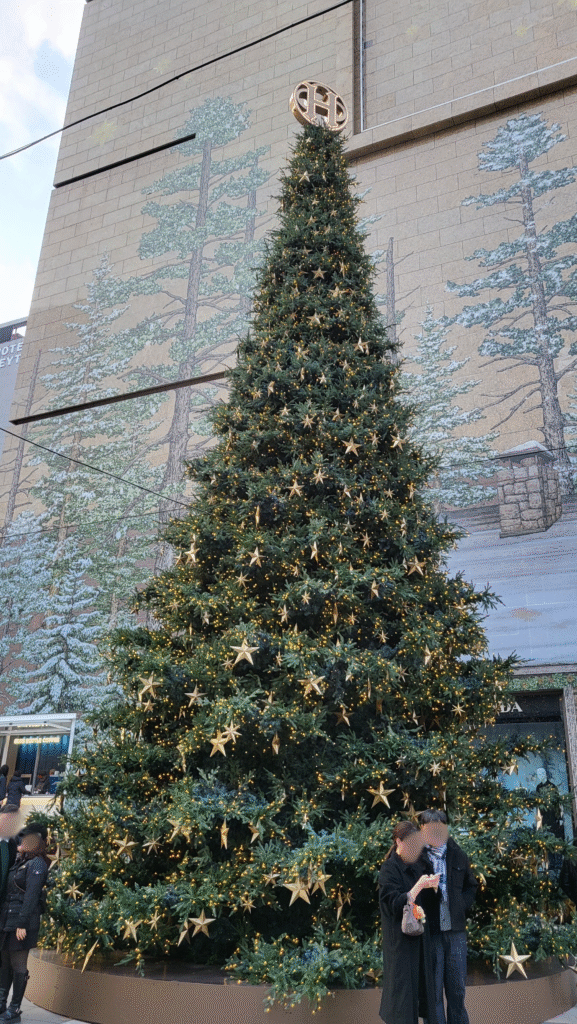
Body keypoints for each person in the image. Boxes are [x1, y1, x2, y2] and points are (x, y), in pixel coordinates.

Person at [418, 810, 477, 1024]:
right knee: (433, 992)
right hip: (431, 933)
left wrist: (460, 905)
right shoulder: (417, 858)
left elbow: (471, 886)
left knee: (457, 990)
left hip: (455, 933)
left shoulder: (458, 854)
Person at [379, 820, 440, 1024]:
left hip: (420, 941)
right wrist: (418, 887)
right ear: (399, 841)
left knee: (421, 994)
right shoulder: (389, 868)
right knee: (402, 1001)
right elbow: (393, 904)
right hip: (400, 944)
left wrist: (433, 887)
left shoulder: (418, 865)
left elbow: (430, 904)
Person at [0, 833, 49, 1022]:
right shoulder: (20, 862)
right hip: (7, 919)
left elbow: (32, 895)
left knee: (18, 964)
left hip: (22, 921)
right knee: (5, 962)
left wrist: (22, 923)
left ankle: (14, 1009)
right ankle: (1, 1002)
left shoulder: (37, 864)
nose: (20, 844)